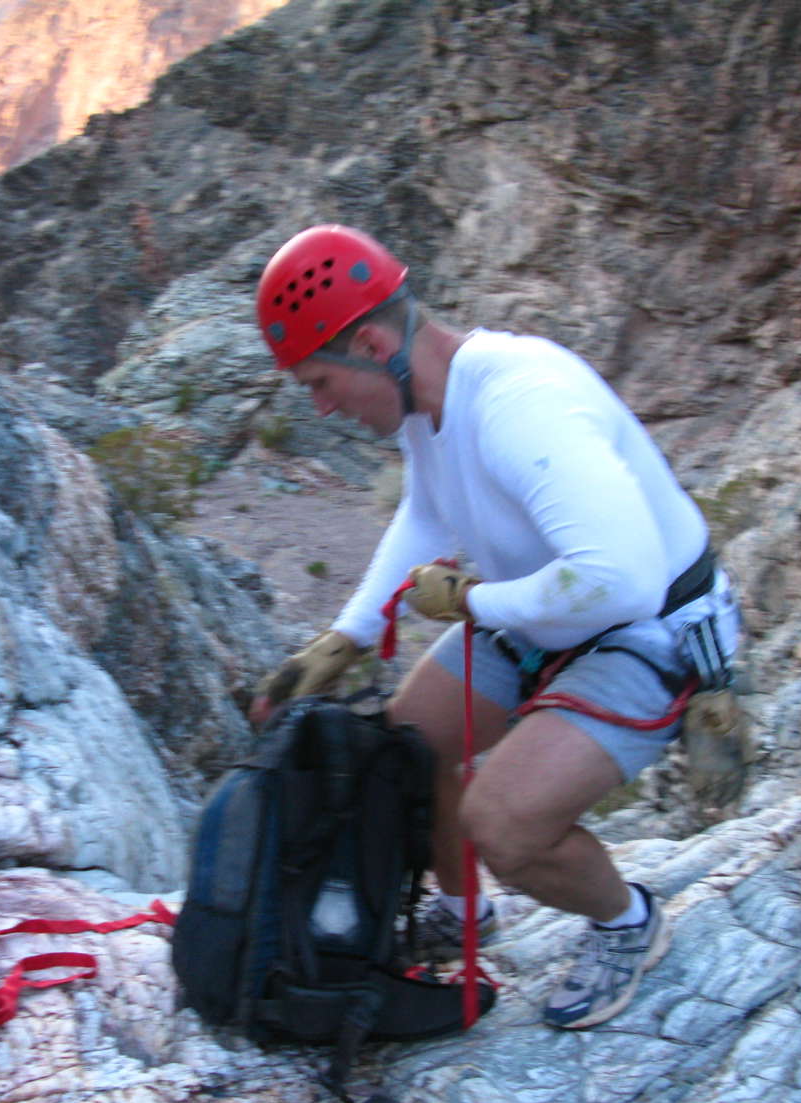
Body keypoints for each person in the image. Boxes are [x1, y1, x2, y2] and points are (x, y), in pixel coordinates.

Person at [249, 224, 743, 1030]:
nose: (323, 406)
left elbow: (622, 577)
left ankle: (627, 921)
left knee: (505, 823)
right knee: (410, 746)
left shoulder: (519, 404)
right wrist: (344, 639)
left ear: (372, 345)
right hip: (548, 611)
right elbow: (426, 511)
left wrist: (475, 602)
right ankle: (463, 910)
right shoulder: (427, 402)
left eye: (322, 382)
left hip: (647, 624)